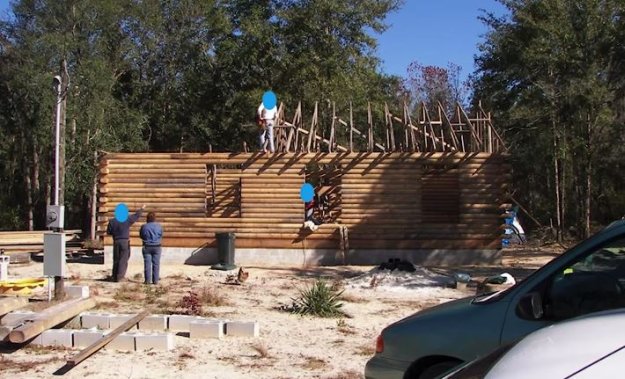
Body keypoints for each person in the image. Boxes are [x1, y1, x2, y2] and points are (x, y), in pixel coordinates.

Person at [106, 204, 145, 282]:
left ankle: (114, 275)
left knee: (116, 259)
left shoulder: (112, 221)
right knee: (123, 259)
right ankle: (120, 277)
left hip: (116, 241)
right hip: (124, 241)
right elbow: (136, 216)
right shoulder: (127, 219)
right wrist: (142, 209)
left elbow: (108, 232)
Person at [139, 212, 163, 285]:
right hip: (157, 246)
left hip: (147, 246)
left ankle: (147, 281)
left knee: (147, 264)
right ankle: (155, 281)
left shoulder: (144, 226)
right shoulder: (159, 226)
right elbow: (161, 235)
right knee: (156, 264)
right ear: (154, 218)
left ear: (147, 218)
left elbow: (141, 235)